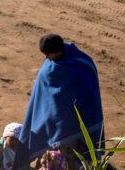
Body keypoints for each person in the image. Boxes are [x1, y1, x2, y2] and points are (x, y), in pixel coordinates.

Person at [19, 34, 103, 163]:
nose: (46, 58)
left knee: (66, 163)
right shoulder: (83, 61)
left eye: (48, 54)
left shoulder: (57, 69)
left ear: (57, 51)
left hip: (68, 125)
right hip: (67, 122)